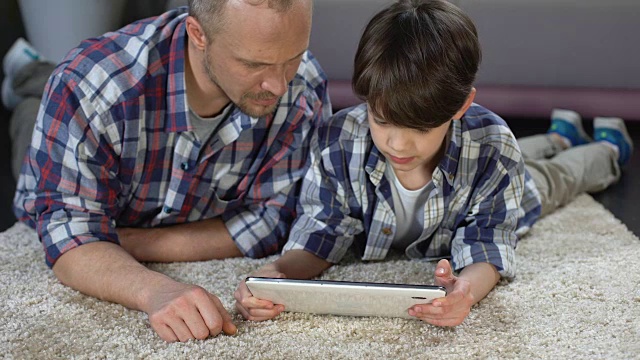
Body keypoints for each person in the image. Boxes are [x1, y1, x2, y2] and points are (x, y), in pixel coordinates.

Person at [234, 0, 633, 326]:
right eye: (382, 119)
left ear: (461, 106)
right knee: (522, 154)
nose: (396, 142)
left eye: (419, 127)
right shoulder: (342, 138)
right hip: (475, 156)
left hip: (506, 180)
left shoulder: (493, 147)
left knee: (556, 178)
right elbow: (320, 230)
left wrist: (466, 292)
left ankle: (608, 148)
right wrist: (278, 276)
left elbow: (487, 245)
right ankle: (559, 135)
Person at [7, 0, 331, 342]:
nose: (280, 86)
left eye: (293, 57)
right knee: (33, 111)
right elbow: (68, 232)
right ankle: (27, 74)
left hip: (138, 209)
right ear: (197, 34)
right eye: (254, 64)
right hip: (56, 123)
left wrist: (127, 242)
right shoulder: (89, 85)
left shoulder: (303, 89)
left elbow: (274, 218)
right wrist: (156, 291)